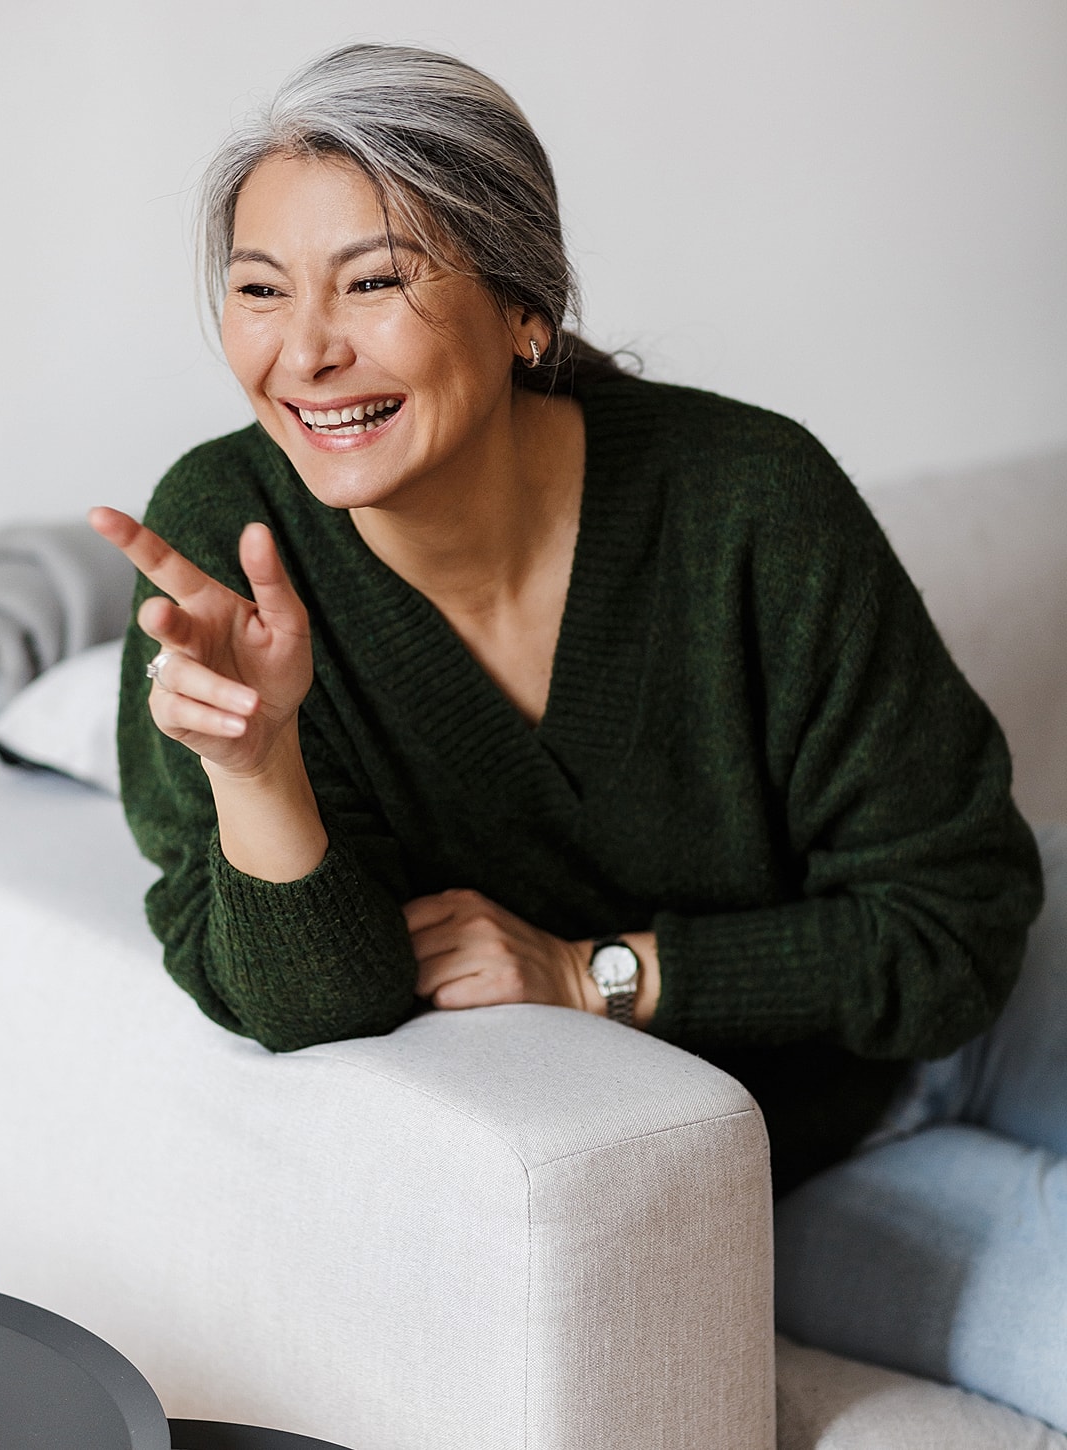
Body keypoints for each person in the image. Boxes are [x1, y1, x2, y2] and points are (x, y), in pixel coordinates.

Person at [90, 43, 1063, 1429]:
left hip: (995, 993)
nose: (303, 351)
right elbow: (313, 1007)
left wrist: (597, 972)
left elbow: (963, 915)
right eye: (259, 290)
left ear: (522, 311)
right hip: (794, 1158)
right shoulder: (223, 538)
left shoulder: (748, 500)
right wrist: (259, 766)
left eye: (373, 281)